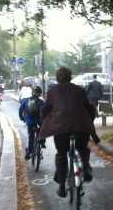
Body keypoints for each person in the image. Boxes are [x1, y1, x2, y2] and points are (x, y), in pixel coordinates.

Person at [39, 67, 100, 198]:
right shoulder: (79, 90)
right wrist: (89, 121)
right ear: (70, 77)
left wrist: (45, 120)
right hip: (81, 126)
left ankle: (61, 186)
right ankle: (85, 167)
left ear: (57, 79)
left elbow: (46, 109)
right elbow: (89, 108)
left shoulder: (52, 91)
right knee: (83, 148)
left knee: (61, 154)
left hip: (61, 129)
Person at [19, 86, 46, 160]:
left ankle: (29, 152)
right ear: (40, 94)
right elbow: (45, 111)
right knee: (43, 130)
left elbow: (20, 109)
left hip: (29, 121)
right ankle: (42, 142)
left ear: (32, 93)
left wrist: (21, 117)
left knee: (31, 136)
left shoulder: (26, 100)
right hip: (39, 120)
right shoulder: (41, 101)